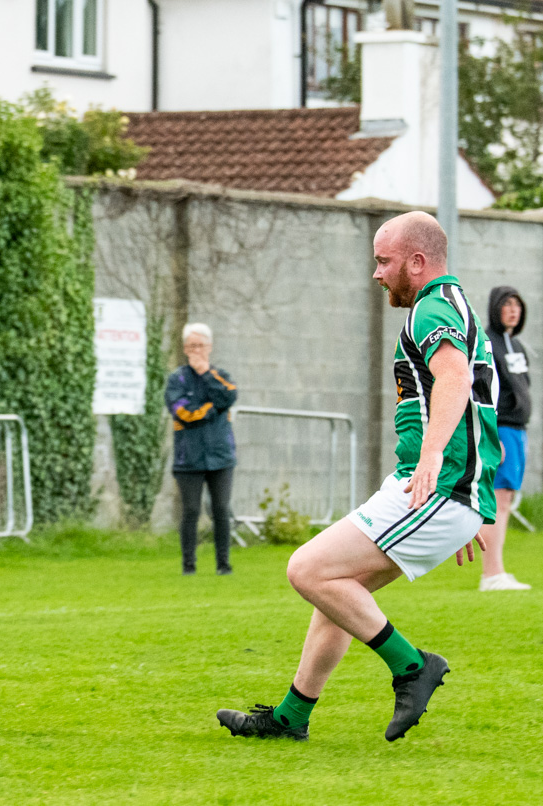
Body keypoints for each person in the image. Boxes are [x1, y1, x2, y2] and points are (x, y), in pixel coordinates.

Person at [216, 211, 498, 743]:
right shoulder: (456, 305)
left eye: (383, 261)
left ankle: (413, 667)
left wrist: (439, 463)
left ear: (418, 262)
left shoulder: (431, 308)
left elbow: (457, 380)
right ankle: (290, 717)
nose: (376, 273)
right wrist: (473, 503)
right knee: (338, 592)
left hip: (432, 487)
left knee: (308, 571)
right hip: (443, 490)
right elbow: (482, 400)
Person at [165, 323, 238, 575]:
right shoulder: (177, 379)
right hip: (189, 459)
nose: (196, 350)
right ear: (185, 349)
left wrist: (206, 374)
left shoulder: (220, 375)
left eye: (201, 345)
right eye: (192, 346)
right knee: (191, 511)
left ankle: (223, 566)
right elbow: (182, 412)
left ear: (210, 347)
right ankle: (188, 566)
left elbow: (228, 397)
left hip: (221, 457)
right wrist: (210, 409)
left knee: (221, 510)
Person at [479, 286, 532, 591]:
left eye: (517, 304)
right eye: (507, 304)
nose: (513, 310)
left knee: (506, 499)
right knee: (497, 500)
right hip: (501, 431)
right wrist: (491, 433)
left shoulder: (518, 347)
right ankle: (491, 574)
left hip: (517, 432)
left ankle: (497, 571)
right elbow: (485, 391)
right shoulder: (489, 345)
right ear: (495, 308)